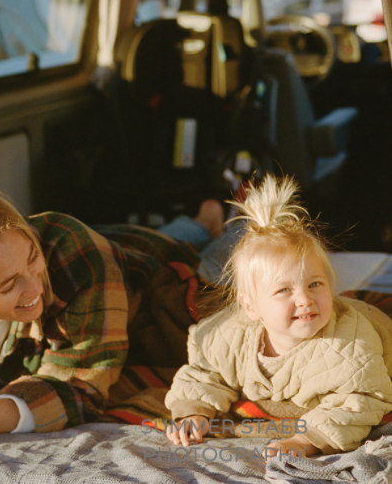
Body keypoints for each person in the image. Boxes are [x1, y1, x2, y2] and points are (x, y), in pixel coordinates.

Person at [0, 174, 224, 450]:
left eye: (33, 259)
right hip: (114, 242)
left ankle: (206, 222)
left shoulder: (76, 256)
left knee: (229, 255)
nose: (36, 290)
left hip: (152, 270)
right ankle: (199, 223)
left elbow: (78, 387)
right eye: (8, 286)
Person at [165, 175, 392, 458]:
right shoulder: (228, 335)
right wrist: (194, 412)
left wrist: (306, 440)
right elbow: (205, 371)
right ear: (250, 307)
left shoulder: (349, 348)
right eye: (284, 289)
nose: (305, 299)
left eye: (315, 284)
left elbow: (361, 399)